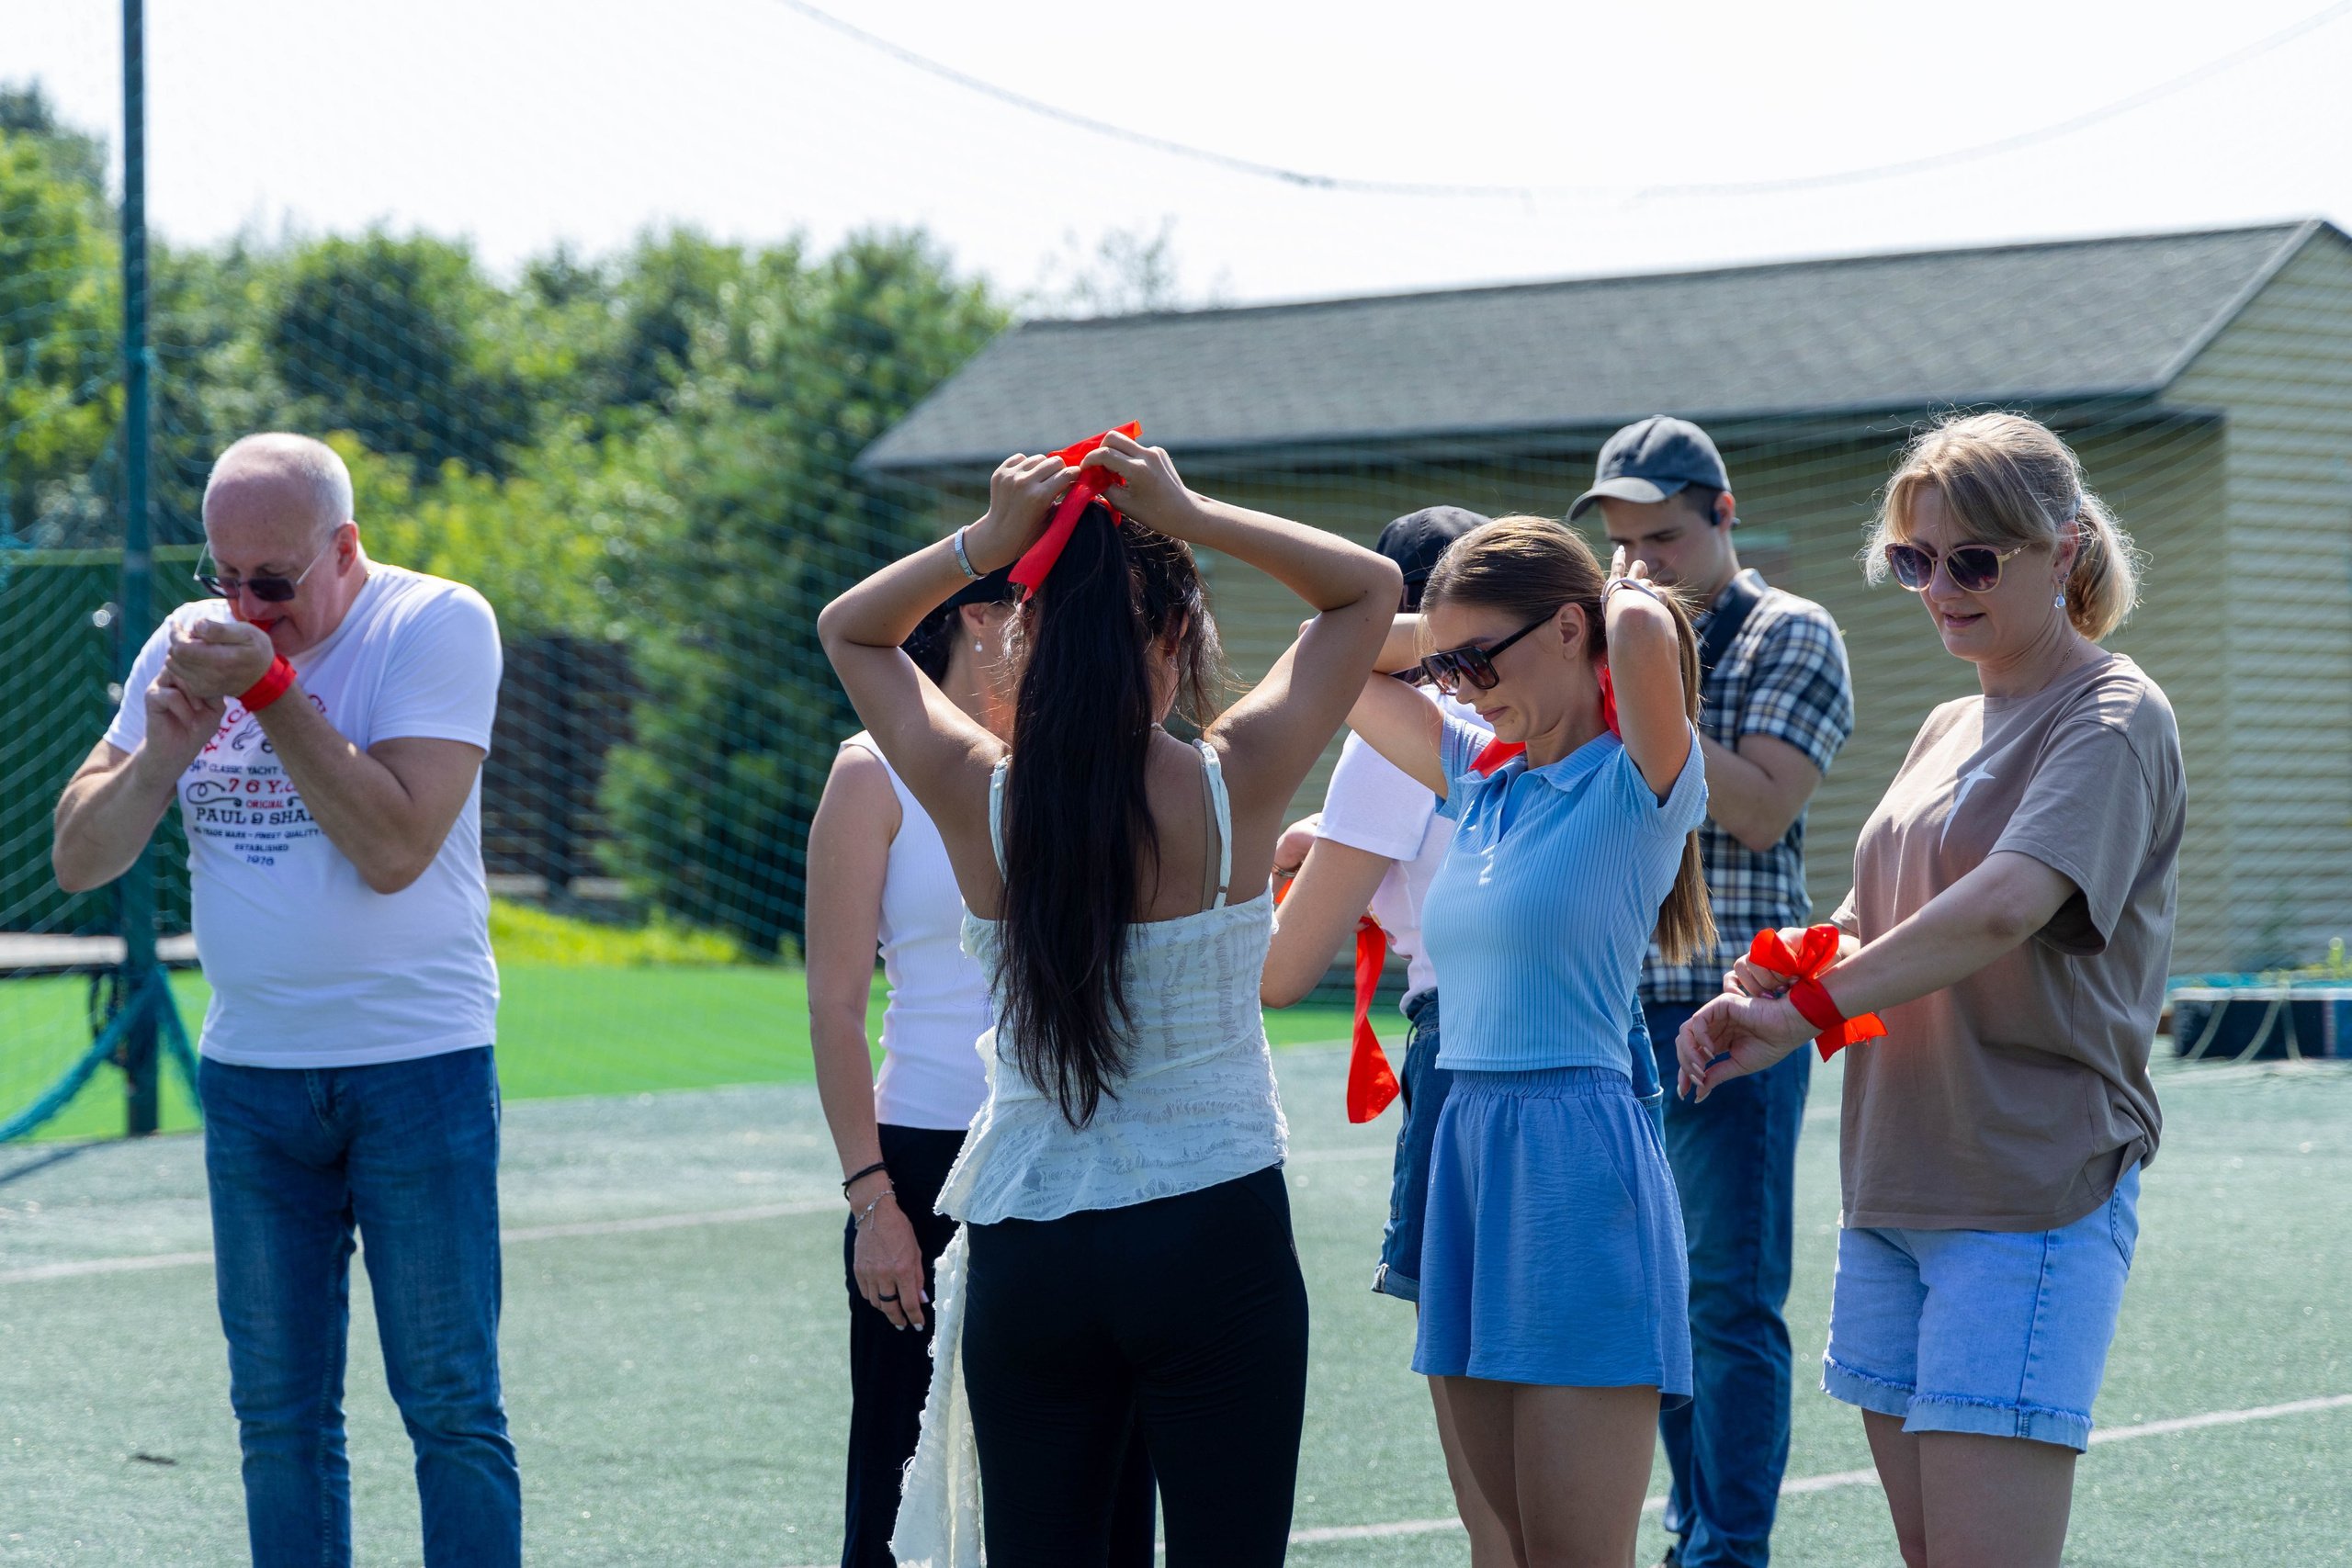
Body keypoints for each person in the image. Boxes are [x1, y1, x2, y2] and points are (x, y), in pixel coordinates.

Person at [817, 430, 1398, 1566]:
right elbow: (1365, 591)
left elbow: (852, 627)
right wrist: (1193, 516)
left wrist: (980, 543)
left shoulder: (976, 792)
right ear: (1176, 636)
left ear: (1020, 642)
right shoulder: (1235, 781)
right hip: (1211, 1226)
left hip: (1036, 1250)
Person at [1676, 412, 2181, 1568]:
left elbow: (2006, 905)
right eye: (1914, 560)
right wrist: (1792, 966)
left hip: (2026, 1190)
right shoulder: (1954, 717)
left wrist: (1808, 1010)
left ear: (2062, 551)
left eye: (1970, 561)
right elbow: (1884, 915)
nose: (1937, 589)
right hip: (1895, 1185)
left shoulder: (2112, 713)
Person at [50, 434, 517, 1568]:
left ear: (345, 551)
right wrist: (161, 755)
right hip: (254, 1077)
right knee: (278, 1421)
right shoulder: (187, 640)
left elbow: (396, 845)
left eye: (276, 584)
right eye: (226, 579)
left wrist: (268, 693)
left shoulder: (436, 623)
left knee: (450, 1405)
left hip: (418, 1066)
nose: (248, 609)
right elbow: (78, 856)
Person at [1344, 514, 1713, 1568]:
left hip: (1572, 1160)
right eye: (1444, 663)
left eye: (1474, 660)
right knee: (1500, 1543)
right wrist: (1459, 633)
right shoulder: (1479, 777)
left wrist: (1604, 593)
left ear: (1566, 628)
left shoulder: (1634, 783)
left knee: (1570, 1555)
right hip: (1462, 1146)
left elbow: (1639, 629)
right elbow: (1340, 657)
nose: (1454, 684)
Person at [804, 566, 1155, 1567]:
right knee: (900, 1480)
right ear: (980, 615)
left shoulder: (1091, 767)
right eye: (1048, 611)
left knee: (1097, 1480)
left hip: (1079, 1160)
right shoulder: (872, 770)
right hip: (924, 1165)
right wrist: (873, 1201)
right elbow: (834, 1003)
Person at [1572, 416, 1855, 1568]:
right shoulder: (1598, 630)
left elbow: (1759, 807)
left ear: (1725, 517)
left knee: (1725, 1303)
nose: (1639, 565)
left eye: (1665, 540)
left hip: (1732, 1008)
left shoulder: (1791, 631)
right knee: (1638, 1306)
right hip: (1599, 1003)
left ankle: (1727, 1552)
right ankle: (1691, 1536)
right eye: (1623, 546)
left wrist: (1636, 677)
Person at [1260, 504, 1516, 1566]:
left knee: (1493, 1479)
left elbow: (1280, 972)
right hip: (1597, 1055)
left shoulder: (1390, 742)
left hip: (1465, 1065)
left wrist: (1267, 873)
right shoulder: (1561, 719)